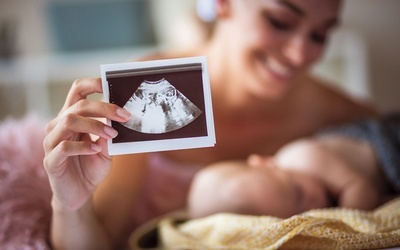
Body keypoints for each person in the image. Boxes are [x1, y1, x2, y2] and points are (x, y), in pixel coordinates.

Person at [43, 0, 377, 249]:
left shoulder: (337, 114)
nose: (300, 54)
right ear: (223, 3)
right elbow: (100, 240)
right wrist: (70, 204)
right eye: (280, 21)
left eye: (320, 35)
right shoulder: (142, 93)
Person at [188, 114, 400, 219]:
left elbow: (359, 188)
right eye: (295, 215)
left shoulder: (299, 157)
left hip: (387, 145)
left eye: (298, 193)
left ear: (266, 163)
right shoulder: (287, 183)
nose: (311, 207)